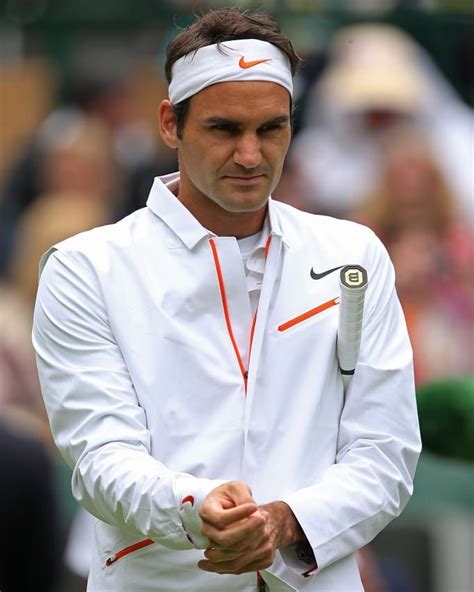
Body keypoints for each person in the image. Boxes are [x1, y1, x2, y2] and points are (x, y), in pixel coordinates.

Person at [32, 8, 421, 592]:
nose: (250, 155)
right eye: (223, 129)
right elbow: (101, 457)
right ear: (170, 124)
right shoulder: (85, 268)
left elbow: (385, 452)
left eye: (271, 128)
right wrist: (199, 508)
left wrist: (283, 524)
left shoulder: (353, 254)